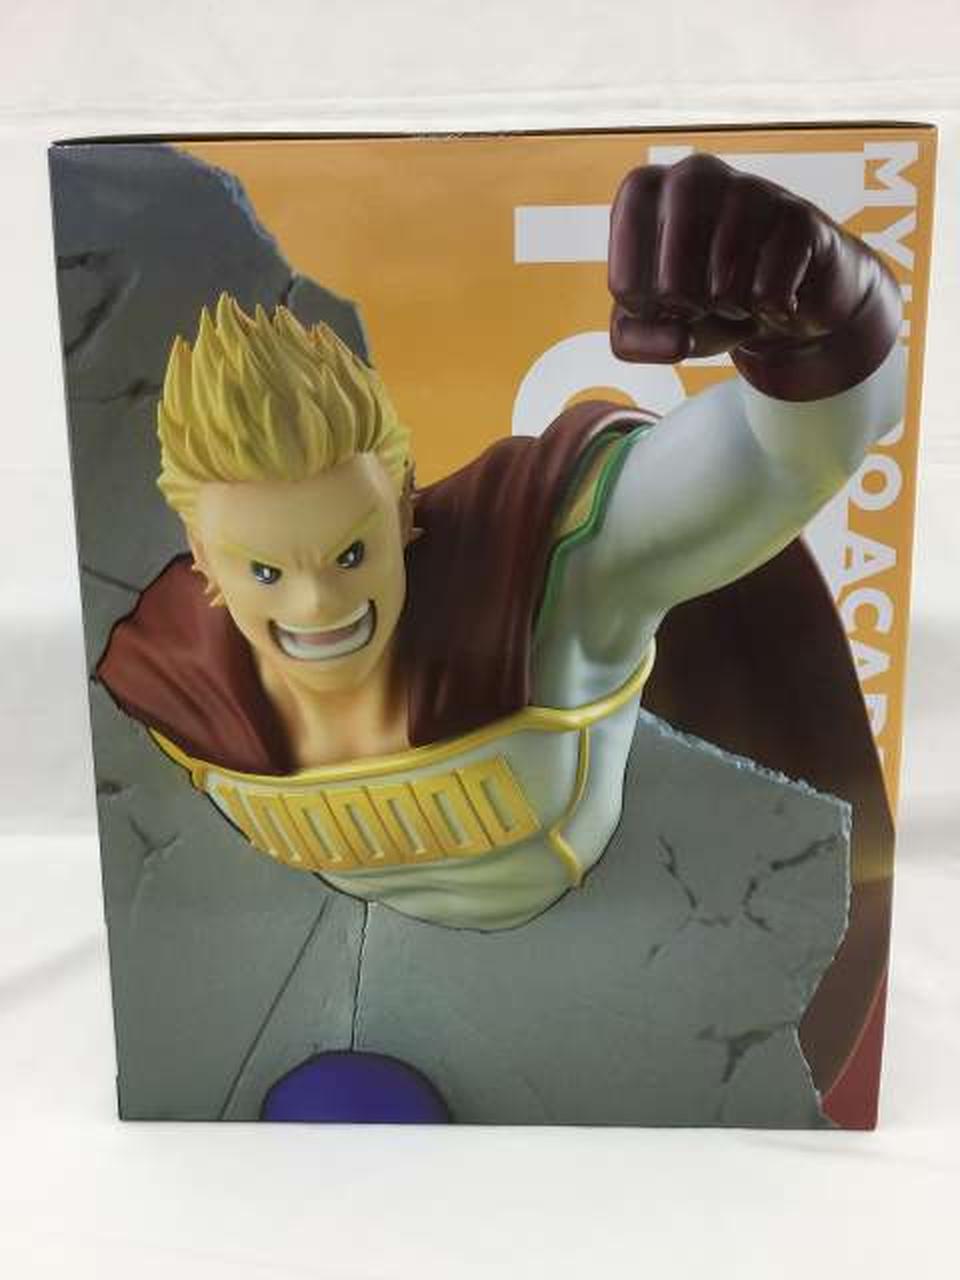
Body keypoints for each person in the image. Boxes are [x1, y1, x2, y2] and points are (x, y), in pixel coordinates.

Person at [98, 154, 904, 1120]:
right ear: (203, 558)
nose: (316, 607)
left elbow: (773, 464)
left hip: (625, 938)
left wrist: (829, 332)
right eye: (266, 572)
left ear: (403, 508)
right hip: (361, 980)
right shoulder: (166, 673)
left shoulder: (536, 578)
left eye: (351, 553)